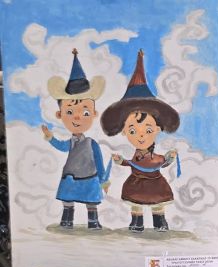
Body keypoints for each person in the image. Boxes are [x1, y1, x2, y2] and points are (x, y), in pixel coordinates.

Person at [101, 50, 180, 232]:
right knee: (136, 204)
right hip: (136, 183)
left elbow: (161, 162)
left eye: (148, 130)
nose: (141, 135)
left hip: (156, 183)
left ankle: (160, 223)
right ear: (124, 132)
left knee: (157, 205)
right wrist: (120, 161)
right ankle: (137, 223)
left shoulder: (155, 157)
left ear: (158, 129)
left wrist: (169, 157)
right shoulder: (136, 157)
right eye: (132, 131)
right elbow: (131, 163)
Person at [43, 49, 109, 229]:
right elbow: (62, 147)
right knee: (67, 201)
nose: (77, 117)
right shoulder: (71, 142)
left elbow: (100, 163)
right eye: (70, 112)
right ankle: (66, 221)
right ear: (60, 114)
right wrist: (50, 138)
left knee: (91, 202)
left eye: (85, 112)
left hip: (89, 178)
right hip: (70, 178)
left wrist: (104, 180)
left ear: (93, 114)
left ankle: (93, 222)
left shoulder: (91, 143)